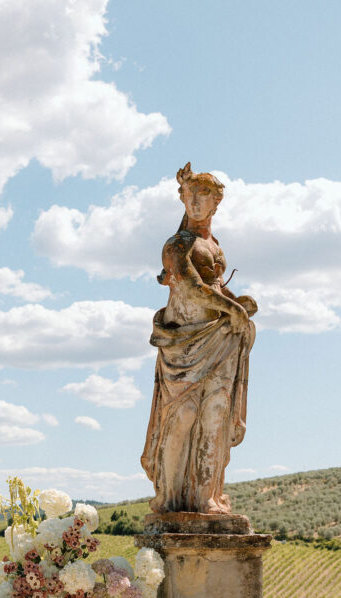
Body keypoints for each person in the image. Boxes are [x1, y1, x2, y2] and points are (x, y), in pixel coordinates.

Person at [141, 162, 257, 514]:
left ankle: (206, 498)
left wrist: (237, 304)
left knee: (216, 415)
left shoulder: (215, 245)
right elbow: (192, 290)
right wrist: (232, 310)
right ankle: (170, 499)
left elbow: (214, 288)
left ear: (216, 202)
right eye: (190, 194)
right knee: (182, 415)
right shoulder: (177, 244)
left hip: (220, 342)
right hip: (185, 345)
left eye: (203, 194)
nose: (194, 201)